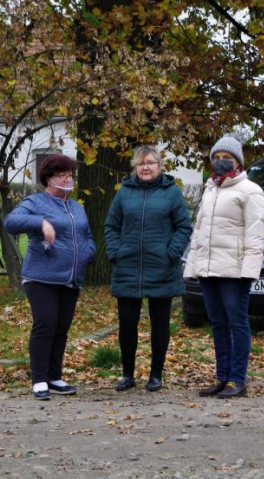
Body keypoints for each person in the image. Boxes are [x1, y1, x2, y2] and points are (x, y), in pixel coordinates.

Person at [4, 155, 96, 400]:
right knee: (45, 325)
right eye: (62, 175)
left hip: (71, 278)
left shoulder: (76, 206)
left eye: (70, 174)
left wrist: (90, 251)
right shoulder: (35, 202)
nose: (68, 179)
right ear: (48, 178)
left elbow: (86, 235)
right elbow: (11, 222)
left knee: (61, 328)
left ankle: (55, 377)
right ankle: (39, 380)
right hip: (41, 277)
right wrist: (40, 222)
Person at [183, 135, 264, 399]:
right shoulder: (210, 189)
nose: (220, 162)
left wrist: (249, 271)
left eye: (226, 158)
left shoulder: (250, 191)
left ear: (238, 161)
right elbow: (199, 232)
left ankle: (237, 379)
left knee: (237, 322)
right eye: (216, 157)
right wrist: (192, 266)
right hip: (209, 269)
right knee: (217, 323)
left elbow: (255, 235)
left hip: (234, 271)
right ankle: (222, 377)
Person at [104, 146, 192, 392]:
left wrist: (171, 253)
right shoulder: (124, 193)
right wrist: (115, 253)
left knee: (160, 324)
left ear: (159, 166)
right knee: (127, 323)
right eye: (141, 163)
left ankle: (156, 374)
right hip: (127, 267)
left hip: (161, 268)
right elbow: (111, 226)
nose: (145, 167)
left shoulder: (172, 193)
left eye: (151, 162)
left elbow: (184, 227)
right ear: (135, 166)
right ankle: (127, 374)